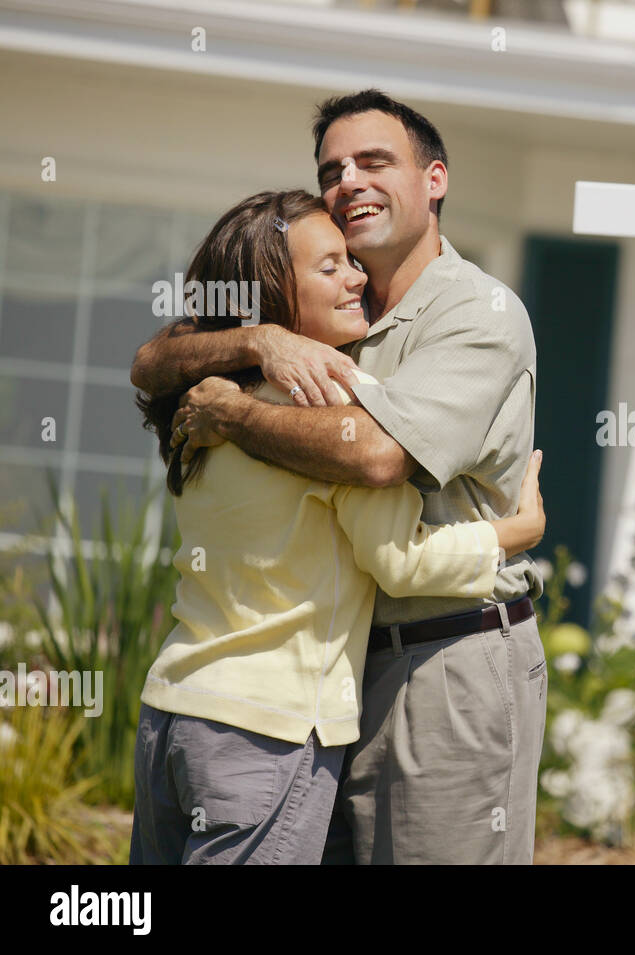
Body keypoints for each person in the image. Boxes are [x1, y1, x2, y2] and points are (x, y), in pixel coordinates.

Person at [131, 90, 547, 864]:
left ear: (435, 179)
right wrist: (258, 338)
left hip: (442, 660)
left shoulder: (475, 312)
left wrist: (237, 414)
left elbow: (378, 456)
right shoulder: (316, 327)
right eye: (333, 168)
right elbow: (150, 362)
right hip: (316, 693)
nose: (348, 178)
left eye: (374, 161)